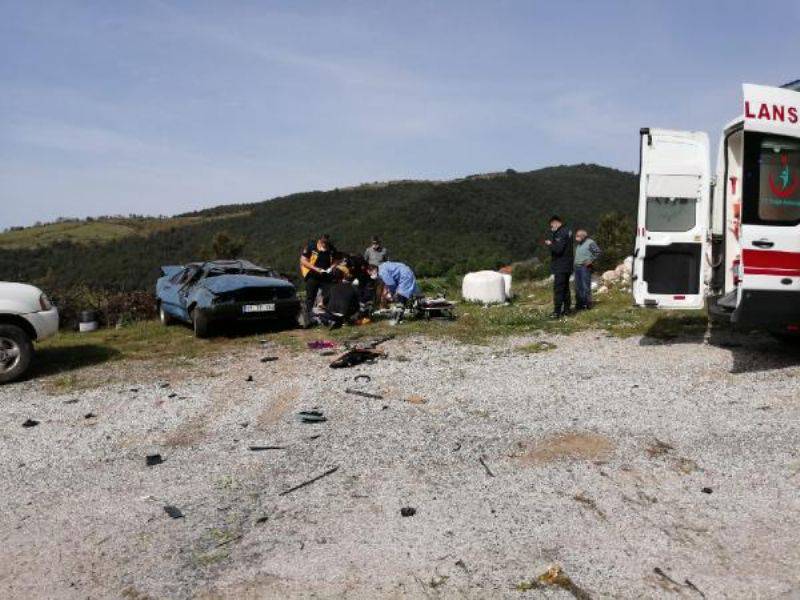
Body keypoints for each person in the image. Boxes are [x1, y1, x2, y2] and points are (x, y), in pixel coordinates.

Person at [299, 234, 339, 317]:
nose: (325, 244)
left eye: (326, 243)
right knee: (311, 295)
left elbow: (336, 260)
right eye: (323, 242)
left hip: (325, 274)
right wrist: (316, 269)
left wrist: (332, 267)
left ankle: (328, 314)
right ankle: (308, 315)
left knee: (330, 293)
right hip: (312, 274)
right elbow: (303, 261)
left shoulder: (331, 248)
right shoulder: (311, 247)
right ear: (320, 241)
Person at [543, 215, 574, 318]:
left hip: (561, 265)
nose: (552, 228)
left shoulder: (561, 233)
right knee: (565, 288)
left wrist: (550, 244)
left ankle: (557, 312)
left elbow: (558, 250)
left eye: (552, 226)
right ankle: (567, 310)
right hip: (568, 265)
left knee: (559, 289)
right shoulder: (568, 231)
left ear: (556, 223)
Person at [573, 229, 601, 310]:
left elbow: (598, 252)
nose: (576, 237)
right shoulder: (579, 244)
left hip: (585, 267)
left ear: (583, 236)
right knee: (578, 287)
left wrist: (590, 260)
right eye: (576, 235)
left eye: (578, 236)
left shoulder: (590, 242)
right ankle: (579, 304)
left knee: (585, 286)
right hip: (577, 267)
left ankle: (587, 304)